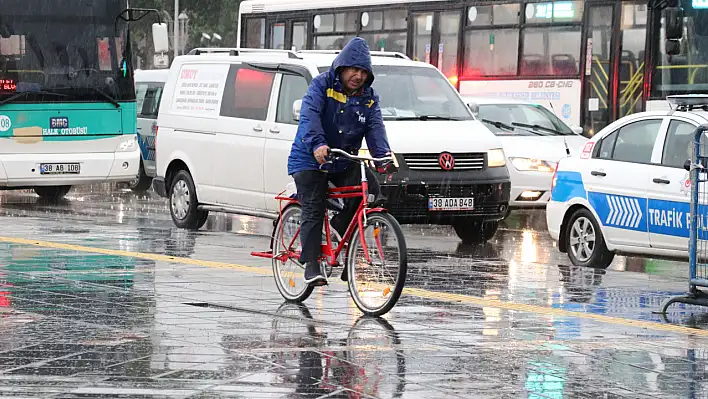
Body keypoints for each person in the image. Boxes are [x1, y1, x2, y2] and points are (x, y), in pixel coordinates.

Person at [287, 37, 395, 286]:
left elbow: (375, 128)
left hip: (343, 159)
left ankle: (339, 230)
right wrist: (317, 145)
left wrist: (383, 158)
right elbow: (309, 117)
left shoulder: (369, 98)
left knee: (371, 192)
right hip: (310, 159)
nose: (358, 76)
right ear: (342, 67)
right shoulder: (321, 86)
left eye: (363, 72)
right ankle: (312, 263)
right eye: (354, 70)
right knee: (314, 203)